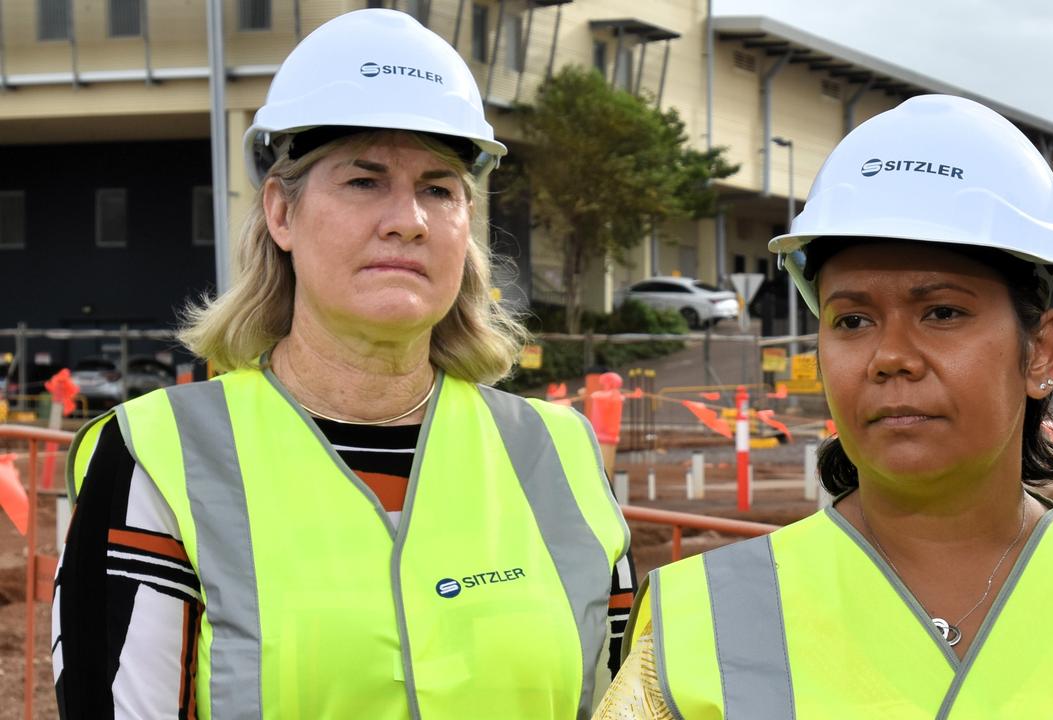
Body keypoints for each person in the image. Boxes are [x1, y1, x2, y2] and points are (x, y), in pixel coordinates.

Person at [594, 95, 1053, 719]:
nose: (891, 355)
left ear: (1041, 352)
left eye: (942, 311)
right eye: (853, 321)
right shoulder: (697, 632)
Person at [53, 9, 633, 719]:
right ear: (282, 214)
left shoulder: (560, 455)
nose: (408, 219)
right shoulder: (160, 458)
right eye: (364, 181)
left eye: (439, 188)